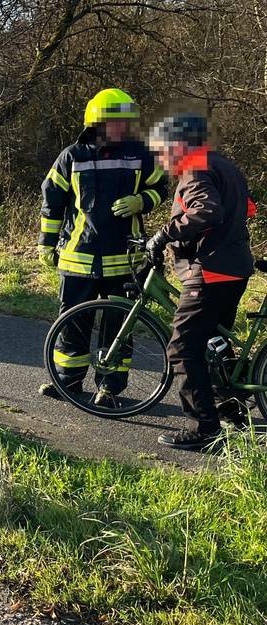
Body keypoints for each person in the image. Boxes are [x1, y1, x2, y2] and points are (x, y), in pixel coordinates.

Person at [38, 88, 169, 407]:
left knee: (118, 328)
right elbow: (52, 202)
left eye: (126, 122)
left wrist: (143, 200)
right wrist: (46, 244)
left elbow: (162, 188)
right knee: (72, 324)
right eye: (115, 121)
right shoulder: (73, 156)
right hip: (78, 258)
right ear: (97, 121)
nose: (122, 128)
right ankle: (66, 381)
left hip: (124, 260)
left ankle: (108, 389)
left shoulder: (141, 155)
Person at [145, 113, 255, 450]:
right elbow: (248, 209)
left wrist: (164, 235)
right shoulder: (224, 165)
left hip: (209, 271)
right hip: (234, 268)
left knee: (183, 348)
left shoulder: (196, 168)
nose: (161, 159)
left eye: (163, 150)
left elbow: (207, 210)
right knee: (215, 344)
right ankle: (231, 410)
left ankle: (204, 429)